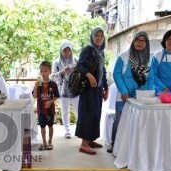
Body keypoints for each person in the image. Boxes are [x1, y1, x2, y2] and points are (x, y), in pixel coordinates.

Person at [111, 31, 154, 153]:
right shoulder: (124, 57)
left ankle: (130, 147)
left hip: (140, 98)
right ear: (133, 42)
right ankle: (115, 145)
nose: (140, 43)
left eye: (143, 41)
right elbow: (117, 74)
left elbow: (151, 77)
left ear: (146, 43)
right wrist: (124, 91)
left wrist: (149, 93)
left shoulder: (149, 59)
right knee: (119, 121)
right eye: (137, 40)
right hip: (124, 97)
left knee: (136, 122)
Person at [75, 27, 108, 155]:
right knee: (87, 114)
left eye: (101, 36)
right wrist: (89, 75)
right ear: (92, 37)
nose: (99, 38)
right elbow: (80, 66)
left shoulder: (101, 52)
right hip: (88, 88)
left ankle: (90, 140)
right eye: (96, 35)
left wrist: (106, 87)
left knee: (95, 114)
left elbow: (102, 71)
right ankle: (84, 144)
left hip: (98, 88)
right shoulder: (88, 50)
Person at [52, 41, 79, 139]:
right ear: (61, 51)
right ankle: (67, 131)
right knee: (65, 111)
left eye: (69, 50)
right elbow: (53, 77)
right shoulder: (57, 62)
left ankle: (79, 130)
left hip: (75, 88)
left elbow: (82, 73)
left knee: (79, 110)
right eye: (64, 50)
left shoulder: (76, 60)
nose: (67, 52)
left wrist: (75, 69)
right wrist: (63, 71)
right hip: (62, 89)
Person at [32, 61, 60, 150]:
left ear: (50, 71)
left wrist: (50, 102)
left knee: (50, 125)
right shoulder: (39, 83)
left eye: (45, 71)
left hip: (50, 110)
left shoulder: (53, 84)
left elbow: (56, 96)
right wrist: (36, 87)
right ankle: (44, 142)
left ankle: (50, 142)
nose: (43, 73)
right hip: (41, 110)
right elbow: (34, 96)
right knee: (42, 126)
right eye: (41, 71)